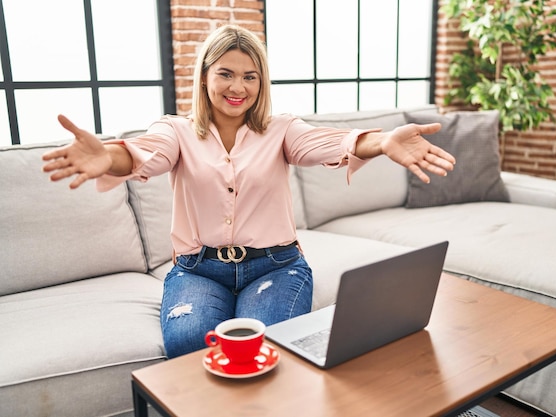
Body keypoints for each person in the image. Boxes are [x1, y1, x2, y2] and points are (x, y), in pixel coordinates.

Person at [42, 24, 455, 359]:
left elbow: (331, 144)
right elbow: (145, 154)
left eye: (249, 76)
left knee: (268, 345)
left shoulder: (283, 130)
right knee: (190, 346)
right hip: (198, 269)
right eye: (225, 73)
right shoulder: (175, 131)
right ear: (204, 75)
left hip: (275, 266)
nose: (237, 86)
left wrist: (381, 142)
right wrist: (109, 157)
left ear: (261, 82)